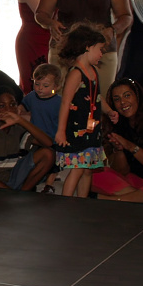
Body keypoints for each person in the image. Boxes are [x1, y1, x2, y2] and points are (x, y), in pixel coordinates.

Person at [54, 24, 109, 197]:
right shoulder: (75, 74)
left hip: (91, 131)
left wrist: (109, 111)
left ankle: (83, 202)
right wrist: (61, 131)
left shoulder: (93, 71)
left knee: (87, 169)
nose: (101, 54)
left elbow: (98, 98)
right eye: (100, 49)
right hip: (77, 130)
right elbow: (65, 103)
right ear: (87, 47)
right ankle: (66, 203)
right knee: (78, 168)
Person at [0, 86, 54, 190]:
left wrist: (21, 120)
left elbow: (48, 143)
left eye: (13, 105)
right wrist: (9, 192)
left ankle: (23, 193)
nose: (9, 110)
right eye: (2, 106)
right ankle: (14, 195)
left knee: (48, 154)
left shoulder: (17, 129)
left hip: (10, 179)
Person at [15, 0, 58, 92]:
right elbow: (44, 14)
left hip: (46, 40)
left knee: (48, 83)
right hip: (32, 40)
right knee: (33, 83)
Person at [22, 62, 63, 193]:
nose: (40, 88)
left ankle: (49, 184)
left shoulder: (59, 102)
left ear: (56, 87)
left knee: (54, 162)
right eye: (37, 84)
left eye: (46, 86)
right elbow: (23, 106)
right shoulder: (32, 97)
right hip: (36, 136)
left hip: (53, 137)